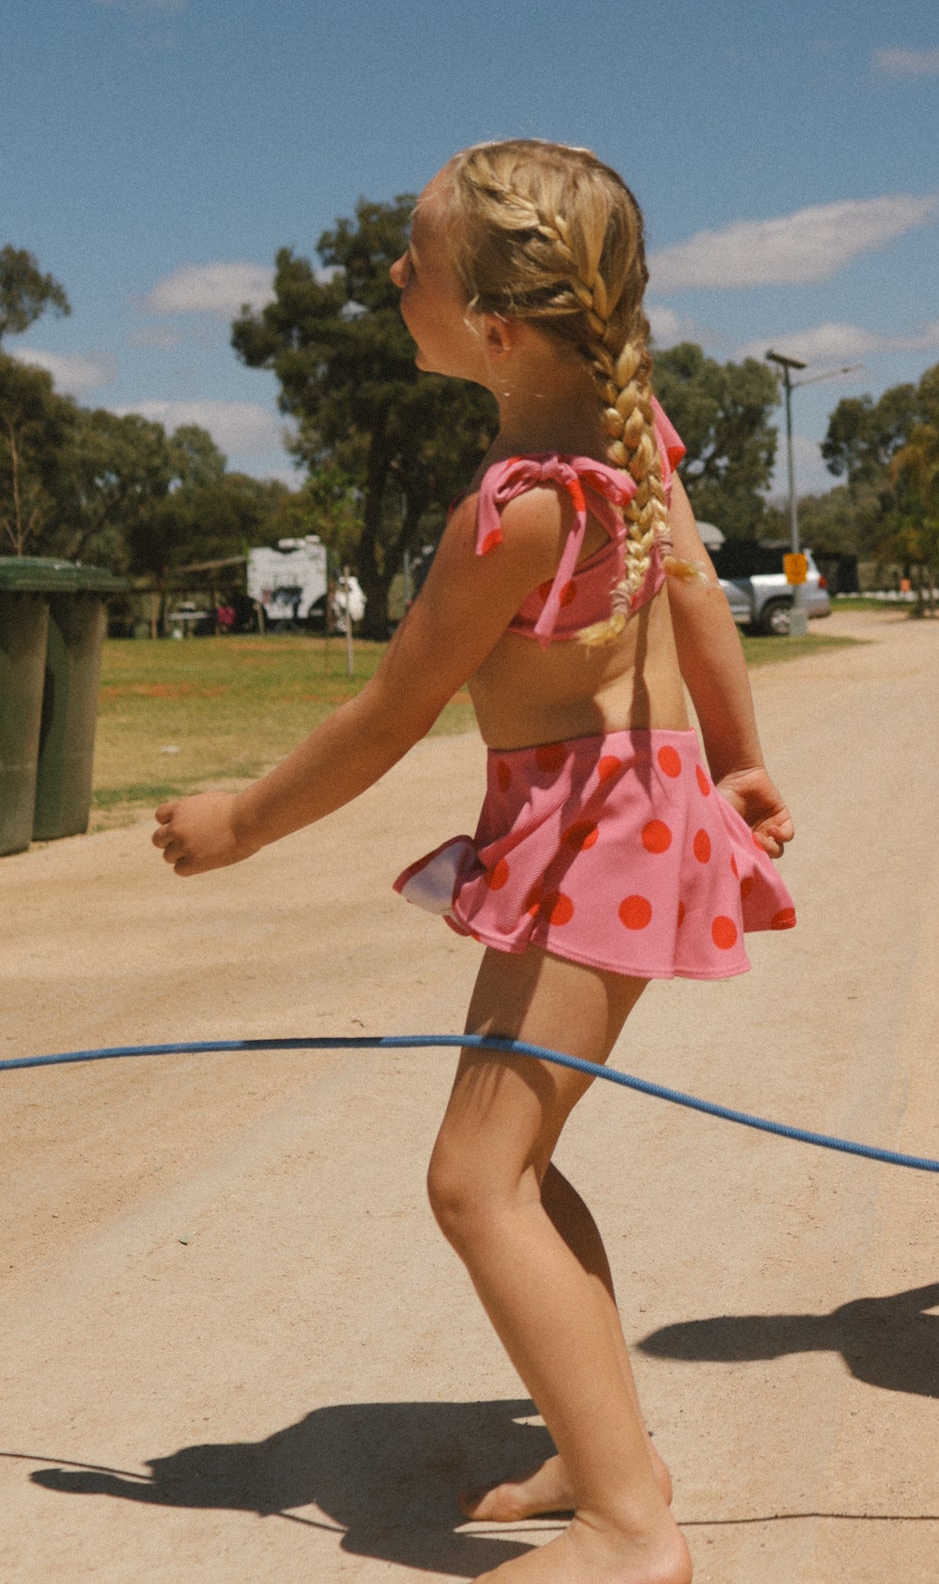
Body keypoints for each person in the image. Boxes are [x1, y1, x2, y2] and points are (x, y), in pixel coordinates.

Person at [153, 138, 795, 1584]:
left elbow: (393, 710)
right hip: (622, 820)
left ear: (495, 330)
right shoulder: (633, 447)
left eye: (413, 263)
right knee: (519, 1162)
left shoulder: (515, 514)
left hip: (593, 839)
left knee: (473, 1182)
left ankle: (633, 1531)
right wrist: (741, 758)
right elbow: (700, 603)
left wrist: (241, 821)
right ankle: (598, 1444)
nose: (391, 277)